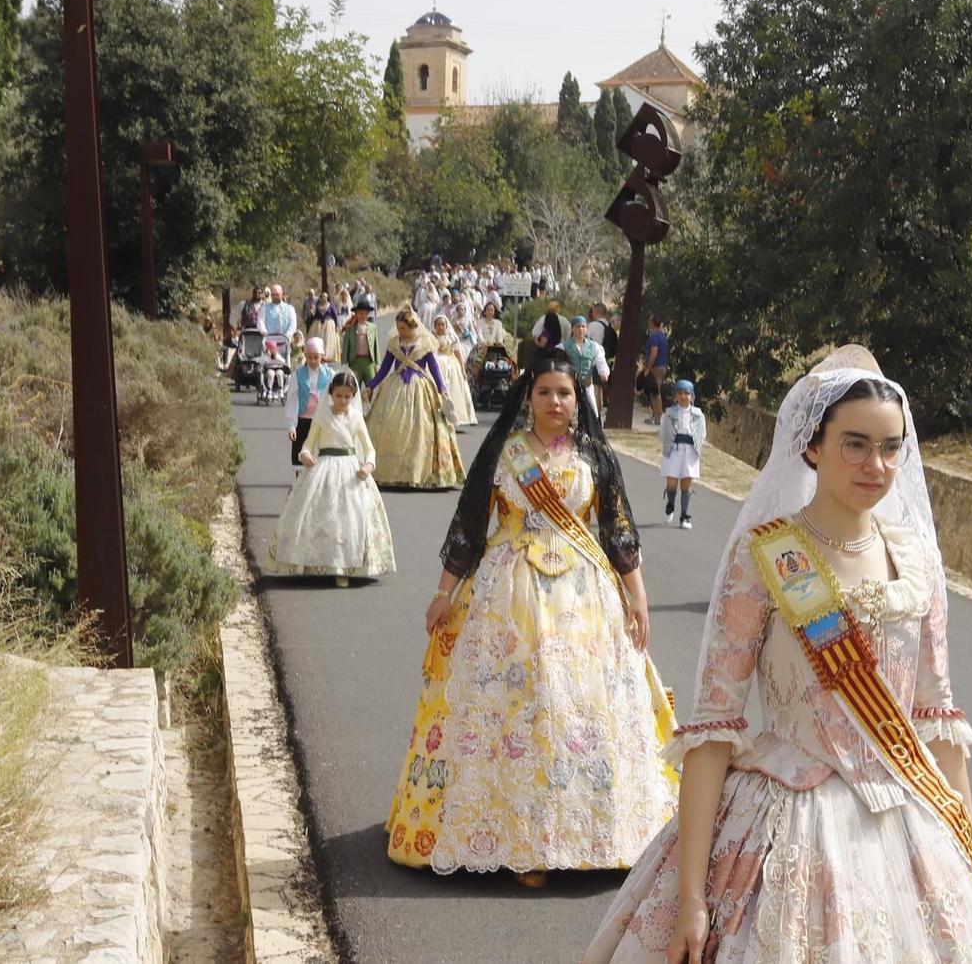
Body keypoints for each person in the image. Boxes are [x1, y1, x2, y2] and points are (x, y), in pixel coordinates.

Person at [584, 348, 972, 962]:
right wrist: (692, 897)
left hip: (908, 819)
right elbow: (711, 731)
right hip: (785, 825)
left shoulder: (917, 559)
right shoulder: (766, 555)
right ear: (812, 445)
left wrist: (970, 863)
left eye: (892, 447)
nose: (876, 465)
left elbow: (937, 721)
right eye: (856, 444)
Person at [388, 349, 678, 886]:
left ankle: (593, 832)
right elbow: (469, 526)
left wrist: (637, 597)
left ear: (578, 399)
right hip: (508, 597)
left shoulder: (595, 457)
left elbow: (617, 533)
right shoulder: (505, 453)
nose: (554, 402)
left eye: (564, 393)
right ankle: (522, 841)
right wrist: (444, 591)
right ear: (529, 395)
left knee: (578, 706)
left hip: (584, 599)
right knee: (522, 704)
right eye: (544, 392)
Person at [267, 370, 395, 586]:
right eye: (339, 396)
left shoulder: (356, 418)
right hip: (323, 468)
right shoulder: (321, 416)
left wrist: (368, 465)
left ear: (353, 396)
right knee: (323, 516)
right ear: (331, 394)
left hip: (351, 472)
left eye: (347, 396)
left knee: (350, 519)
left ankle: (344, 567)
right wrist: (305, 455)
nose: (343, 400)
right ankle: (318, 561)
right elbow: (308, 444)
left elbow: (369, 448)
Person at [365, 305, 466, 489]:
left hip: (419, 387)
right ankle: (392, 472)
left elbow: (434, 367)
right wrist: (370, 385)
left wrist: (442, 387)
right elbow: (385, 369)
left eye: (403, 328)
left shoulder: (424, 344)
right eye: (398, 328)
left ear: (413, 327)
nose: (400, 331)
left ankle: (419, 472)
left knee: (423, 427)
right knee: (390, 424)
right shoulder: (394, 344)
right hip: (395, 388)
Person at [657, 381, 706, 529]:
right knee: (672, 483)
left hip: (690, 451)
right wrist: (667, 444)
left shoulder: (698, 414)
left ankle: (684, 516)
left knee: (686, 483)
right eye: (679, 393)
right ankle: (670, 505)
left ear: (692, 396)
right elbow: (663, 432)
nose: (683, 396)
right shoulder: (669, 413)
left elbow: (702, 433)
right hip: (673, 449)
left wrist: (696, 446)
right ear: (675, 396)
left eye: (686, 393)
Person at [284, 336, 337, 468]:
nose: (313, 361)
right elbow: (293, 401)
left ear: (322, 356)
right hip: (303, 422)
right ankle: (299, 485)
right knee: (301, 457)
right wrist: (292, 425)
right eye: (309, 357)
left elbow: (334, 399)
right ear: (305, 356)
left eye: (316, 357)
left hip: (322, 421)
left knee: (320, 458)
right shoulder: (297, 375)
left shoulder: (330, 374)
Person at [431, 313, 481, 427]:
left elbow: (458, 354)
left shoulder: (452, 338)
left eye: (442, 325)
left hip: (450, 364)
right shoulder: (432, 337)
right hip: (436, 364)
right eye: (438, 325)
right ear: (435, 326)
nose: (440, 327)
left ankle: (453, 416)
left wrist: (463, 370)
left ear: (446, 326)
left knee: (453, 389)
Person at [337, 294, 381, 383]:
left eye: (365, 314)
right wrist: (344, 364)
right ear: (356, 314)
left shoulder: (373, 327)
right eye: (361, 313)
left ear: (368, 314)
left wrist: (377, 363)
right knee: (354, 386)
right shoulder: (351, 328)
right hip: (355, 362)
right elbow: (346, 346)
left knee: (371, 386)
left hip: (369, 362)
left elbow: (376, 345)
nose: (363, 316)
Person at [640, 315, 672, 425]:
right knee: (655, 391)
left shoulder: (654, 337)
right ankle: (656, 415)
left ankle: (659, 417)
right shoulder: (663, 336)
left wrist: (648, 368)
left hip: (656, 367)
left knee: (655, 393)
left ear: (652, 323)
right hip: (663, 365)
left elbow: (654, 353)